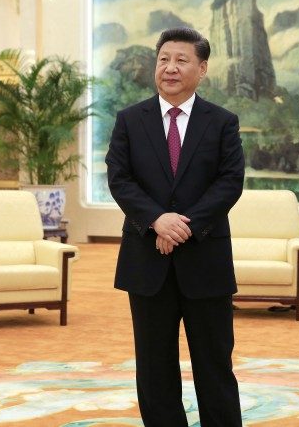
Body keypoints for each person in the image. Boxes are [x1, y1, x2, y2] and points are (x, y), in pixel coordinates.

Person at [106, 27, 245, 426]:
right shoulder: (131, 120)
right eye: (164, 59)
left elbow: (229, 182)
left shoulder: (222, 123)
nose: (170, 68)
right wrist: (156, 220)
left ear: (202, 69)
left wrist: (181, 226)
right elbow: (120, 179)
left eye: (181, 60)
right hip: (146, 262)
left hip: (205, 261)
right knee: (153, 368)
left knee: (214, 365)